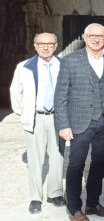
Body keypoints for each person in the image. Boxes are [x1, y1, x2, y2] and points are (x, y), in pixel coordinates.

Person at [55, 23, 104, 220]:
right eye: (92, 36)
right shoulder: (70, 61)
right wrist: (63, 125)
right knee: (76, 165)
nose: (96, 39)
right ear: (84, 37)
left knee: (99, 163)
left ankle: (93, 203)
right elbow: (61, 96)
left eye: (100, 36)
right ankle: (74, 208)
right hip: (79, 123)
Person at [10, 32, 65, 214]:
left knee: (57, 156)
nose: (45, 47)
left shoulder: (62, 65)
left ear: (56, 46)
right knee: (35, 159)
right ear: (35, 46)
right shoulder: (24, 67)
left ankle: (55, 193)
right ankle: (35, 197)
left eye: (49, 44)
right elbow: (15, 92)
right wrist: (23, 112)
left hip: (57, 116)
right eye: (41, 43)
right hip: (36, 117)